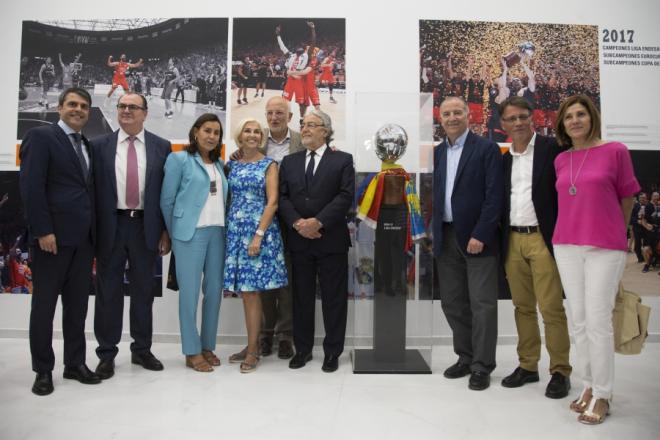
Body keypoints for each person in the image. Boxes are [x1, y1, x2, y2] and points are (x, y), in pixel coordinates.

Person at [552, 94, 640, 425]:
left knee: (599, 321)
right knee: (579, 320)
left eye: (581, 114)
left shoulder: (615, 151)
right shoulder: (561, 160)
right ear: (562, 124)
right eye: (569, 116)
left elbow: (627, 198)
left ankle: (603, 394)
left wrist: (619, 234)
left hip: (605, 246)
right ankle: (588, 385)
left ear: (592, 118)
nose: (575, 120)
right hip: (566, 244)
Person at [20, 87, 99, 395]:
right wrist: (42, 230)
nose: (78, 110)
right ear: (59, 107)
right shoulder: (41, 137)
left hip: (83, 241)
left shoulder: (87, 145)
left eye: (83, 106)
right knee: (44, 308)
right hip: (51, 240)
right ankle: (42, 370)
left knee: (77, 308)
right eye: (72, 104)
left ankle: (74, 363)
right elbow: (31, 186)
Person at [92, 92, 172, 380]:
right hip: (110, 227)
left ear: (145, 113)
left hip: (145, 227)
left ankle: (142, 349)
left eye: (132, 107)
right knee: (108, 292)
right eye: (122, 106)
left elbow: (166, 194)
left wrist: (165, 230)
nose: (126, 110)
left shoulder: (162, 147)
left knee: (143, 292)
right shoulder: (99, 146)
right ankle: (106, 353)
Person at [499, 96, 571, 398]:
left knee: (551, 308)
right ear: (503, 124)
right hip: (512, 240)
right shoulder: (503, 159)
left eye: (522, 117)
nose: (518, 123)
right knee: (522, 307)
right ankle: (528, 366)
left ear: (533, 118)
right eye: (511, 118)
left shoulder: (553, 150)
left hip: (543, 238)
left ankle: (560, 371)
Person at [432, 96, 503, 391]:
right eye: (446, 113)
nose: (451, 118)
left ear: (468, 116)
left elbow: (494, 196)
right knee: (452, 302)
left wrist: (481, 234)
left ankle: (482, 366)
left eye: (457, 112)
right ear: (440, 118)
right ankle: (466, 356)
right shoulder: (435, 153)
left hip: (477, 238)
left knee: (482, 304)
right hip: (445, 236)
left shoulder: (486, 149)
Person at [229, 96, 304, 363]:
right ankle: (264, 335)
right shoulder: (254, 143)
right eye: (270, 113)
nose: (274, 117)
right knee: (263, 281)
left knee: (286, 280)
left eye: (280, 113)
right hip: (261, 220)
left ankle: (285, 336)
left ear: (290, 116)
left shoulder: (300, 141)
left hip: (291, 219)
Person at [278, 109, 354, 373]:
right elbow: (283, 198)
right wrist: (299, 224)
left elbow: (345, 197)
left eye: (312, 125)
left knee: (334, 299)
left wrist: (317, 222)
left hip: (330, 240)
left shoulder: (343, 160)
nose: (306, 129)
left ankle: (332, 352)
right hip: (299, 240)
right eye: (303, 124)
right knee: (301, 298)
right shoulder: (290, 162)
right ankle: (303, 350)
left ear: (325, 131)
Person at [160, 113, 229, 372]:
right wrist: (172, 232)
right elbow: (167, 200)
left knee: (213, 293)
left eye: (216, 133)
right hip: (189, 234)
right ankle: (191, 350)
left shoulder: (220, 165)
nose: (212, 136)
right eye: (208, 130)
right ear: (196, 132)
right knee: (189, 295)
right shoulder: (179, 160)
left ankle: (207, 345)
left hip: (217, 234)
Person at [223, 118, 288, 373]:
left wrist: (259, 234)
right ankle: (252, 343)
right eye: (247, 130)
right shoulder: (232, 164)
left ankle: (253, 350)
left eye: (257, 132)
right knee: (245, 292)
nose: (252, 134)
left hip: (258, 233)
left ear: (261, 137)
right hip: (236, 234)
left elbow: (272, 202)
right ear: (240, 136)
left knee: (251, 293)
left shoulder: (269, 165)